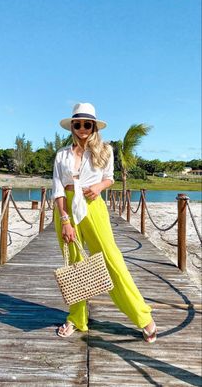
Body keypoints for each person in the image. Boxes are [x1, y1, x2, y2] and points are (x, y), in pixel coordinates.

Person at [52, 102, 157, 343]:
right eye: (77, 124)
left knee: (112, 260)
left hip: (93, 207)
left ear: (94, 126)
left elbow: (109, 178)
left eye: (86, 124)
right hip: (66, 209)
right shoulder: (62, 154)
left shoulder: (105, 150)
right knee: (75, 265)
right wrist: (65, 219)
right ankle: (76, 318)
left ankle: (143, 317)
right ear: (72, 126)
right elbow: (57, 189)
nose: (82, 129)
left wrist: (98, 186)